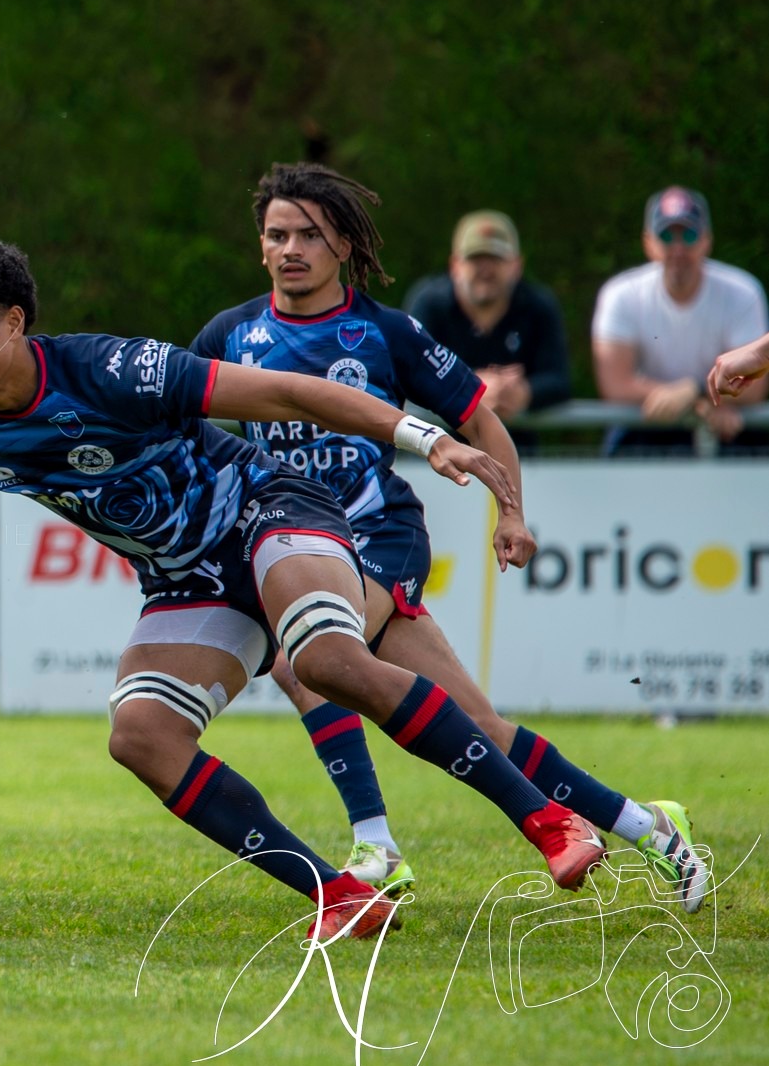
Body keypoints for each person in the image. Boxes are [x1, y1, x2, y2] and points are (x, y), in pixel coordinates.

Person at [0, 236, 609, 941]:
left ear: (15, 322)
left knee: (322, 660)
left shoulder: (112, 369)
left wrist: (423, 436)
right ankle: (339, 895)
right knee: (139, 735)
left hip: (267, 510)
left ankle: (548, 819)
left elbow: (285, 392)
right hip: (185, 579)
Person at [193, 163, 706, 910]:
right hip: (298, 544)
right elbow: (185, 430)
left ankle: (375, 845)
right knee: (478, 724)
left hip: (377, 533)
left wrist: (511, 513)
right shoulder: (230, 334)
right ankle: (649, 826)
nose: (290, 248)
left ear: (343, 245)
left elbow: (480, 420)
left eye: (309, 234)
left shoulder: (385, 332)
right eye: (277, 235)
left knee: (306, 653)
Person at [593, 187, 767, 455]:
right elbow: (615, 384)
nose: (678, 248)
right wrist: (697, 399)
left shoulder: (743, 292)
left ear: (706, 240)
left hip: (725, 425)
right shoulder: (620, 294)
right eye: (666, 236)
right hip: (650, 424)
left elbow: (755, 385)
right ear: (648, 242)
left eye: (689, 235)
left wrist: (693, 392)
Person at [404, 210, 570, 425]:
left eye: (496, 259)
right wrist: (471, 387)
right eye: (475, 259)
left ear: (517, 266)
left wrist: (524, 392)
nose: (486, 270)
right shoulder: (430, 304)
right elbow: (409, 375)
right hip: (442, 441)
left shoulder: (538, 306)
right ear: (455, 266)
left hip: (517, 442)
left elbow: (559, 379)